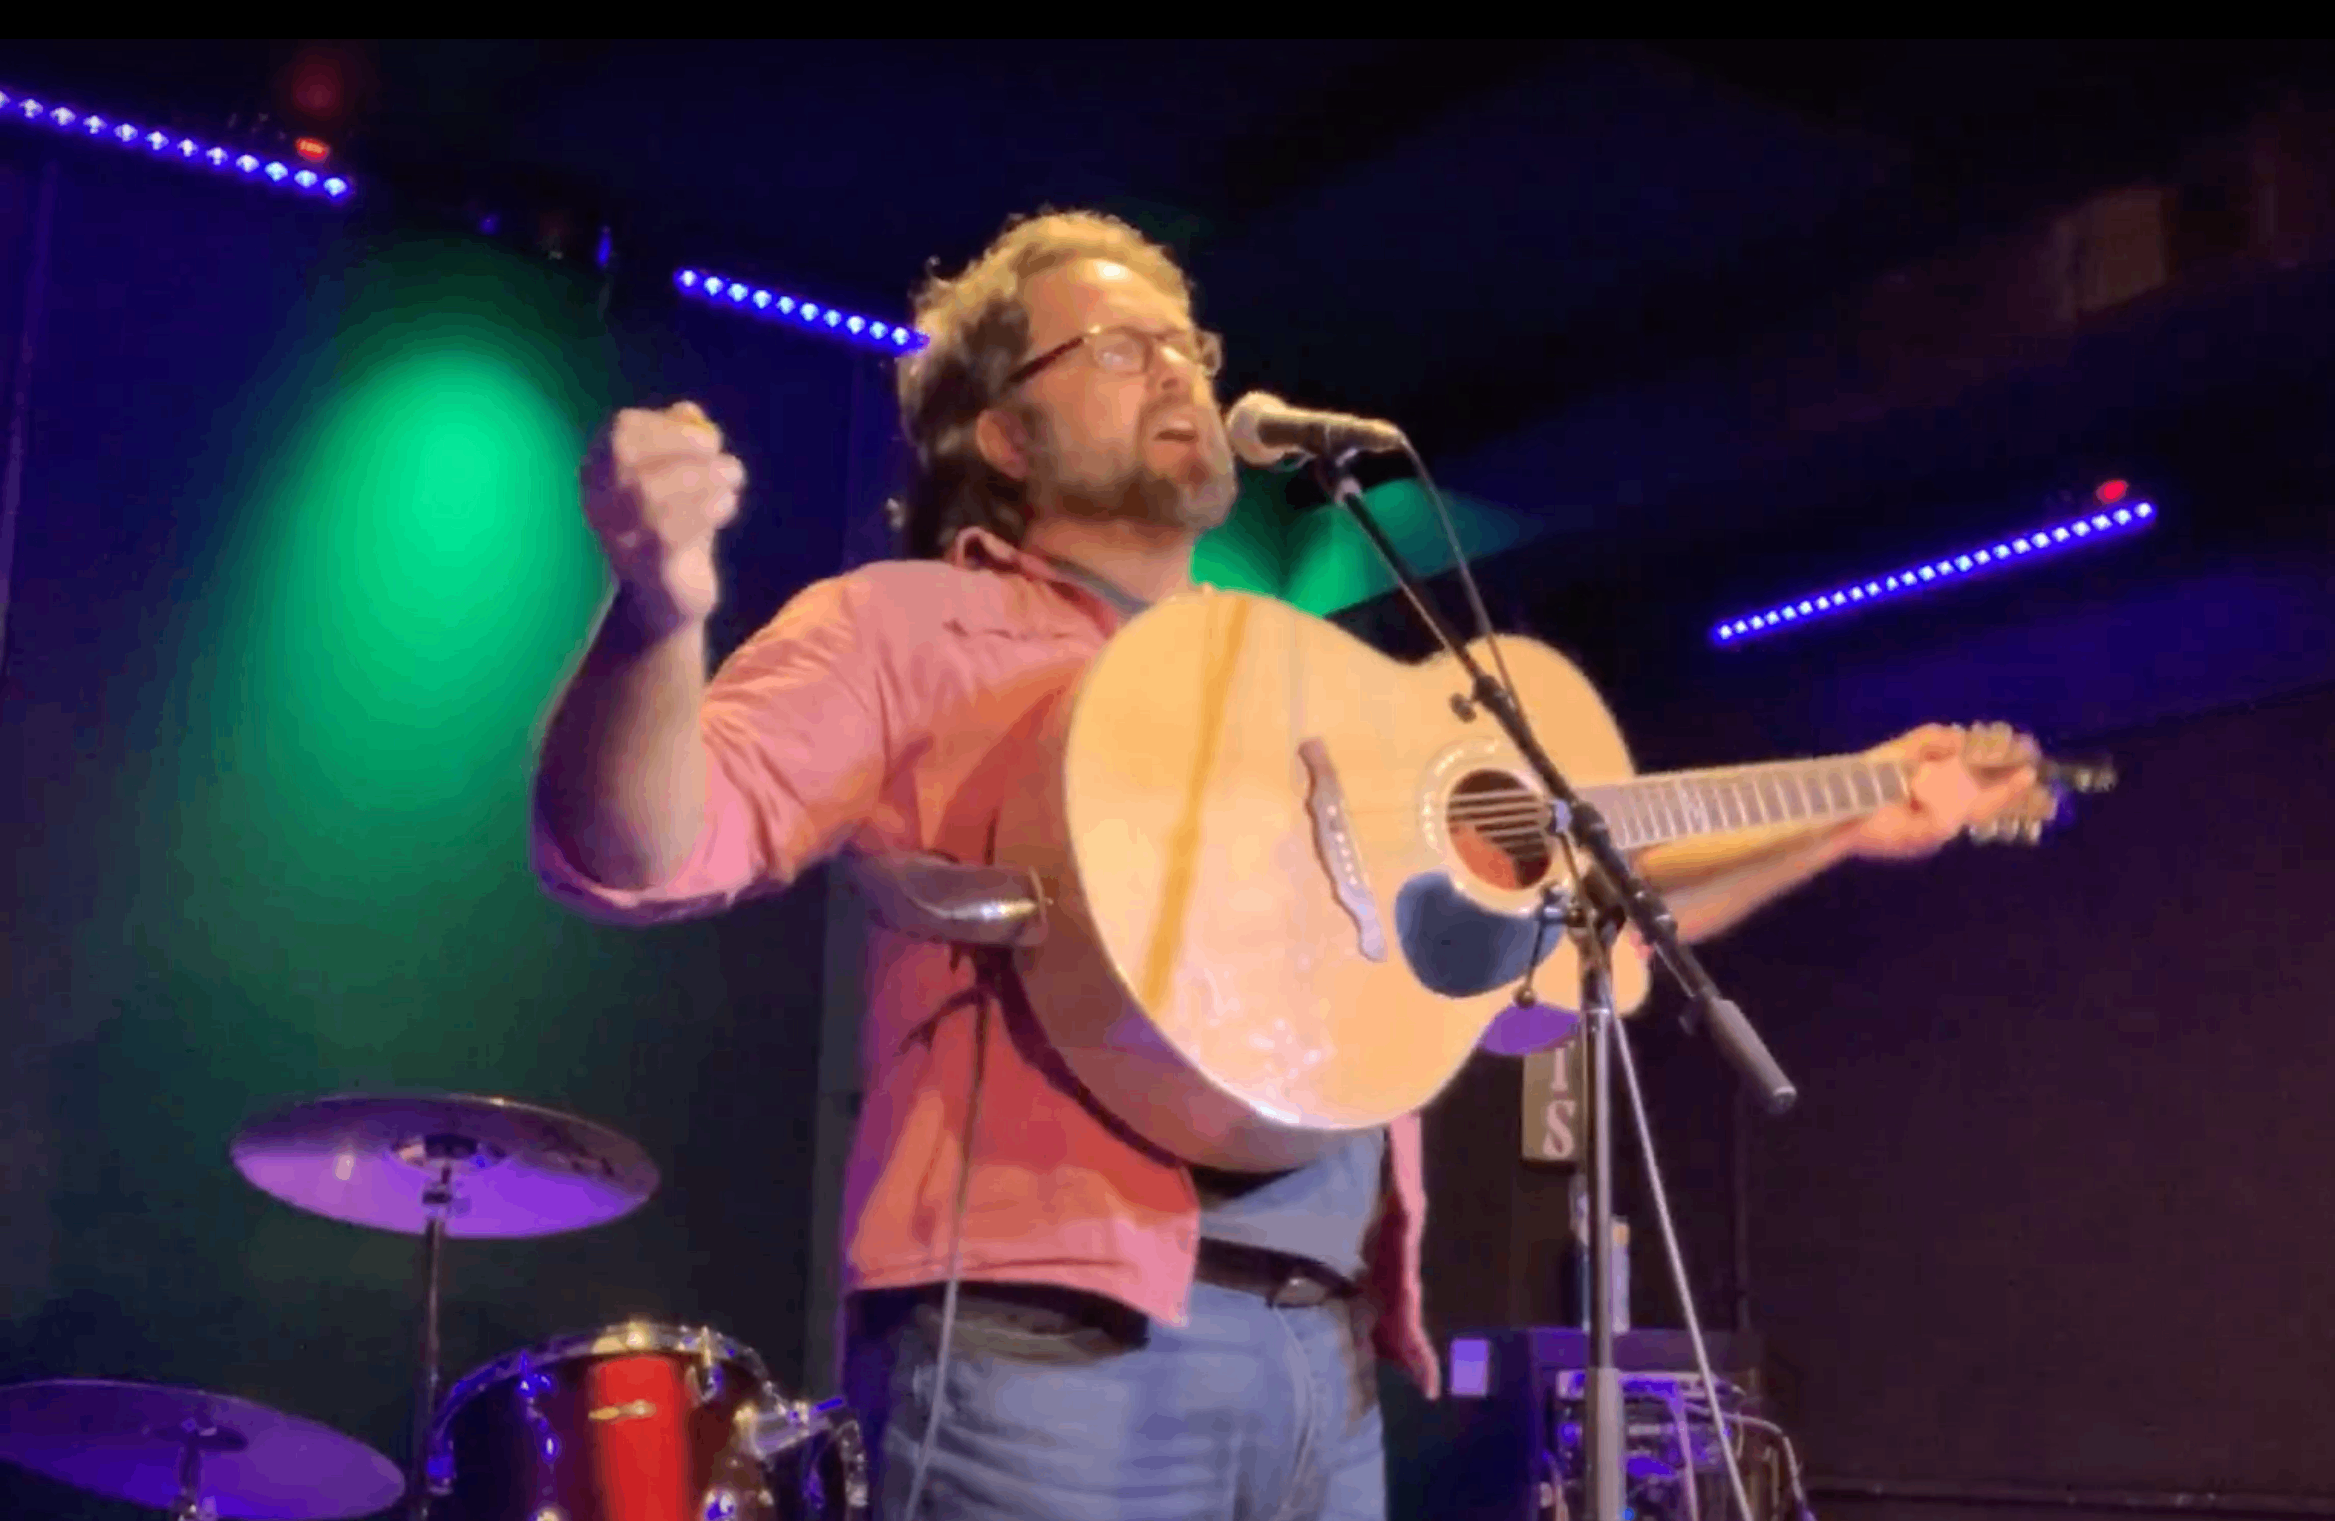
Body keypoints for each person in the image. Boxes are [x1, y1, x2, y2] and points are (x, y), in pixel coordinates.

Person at [531, 210, 2038, 1521]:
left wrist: (1850, 813)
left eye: (1187, 344)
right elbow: (635, 851)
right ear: (1004, 437)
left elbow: (1584, 922)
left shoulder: (1302, 679)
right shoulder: (904, 625)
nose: (1177, 371)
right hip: (1049, 1357)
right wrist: (659, 616)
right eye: (1118, 348)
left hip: (1326, 1363)